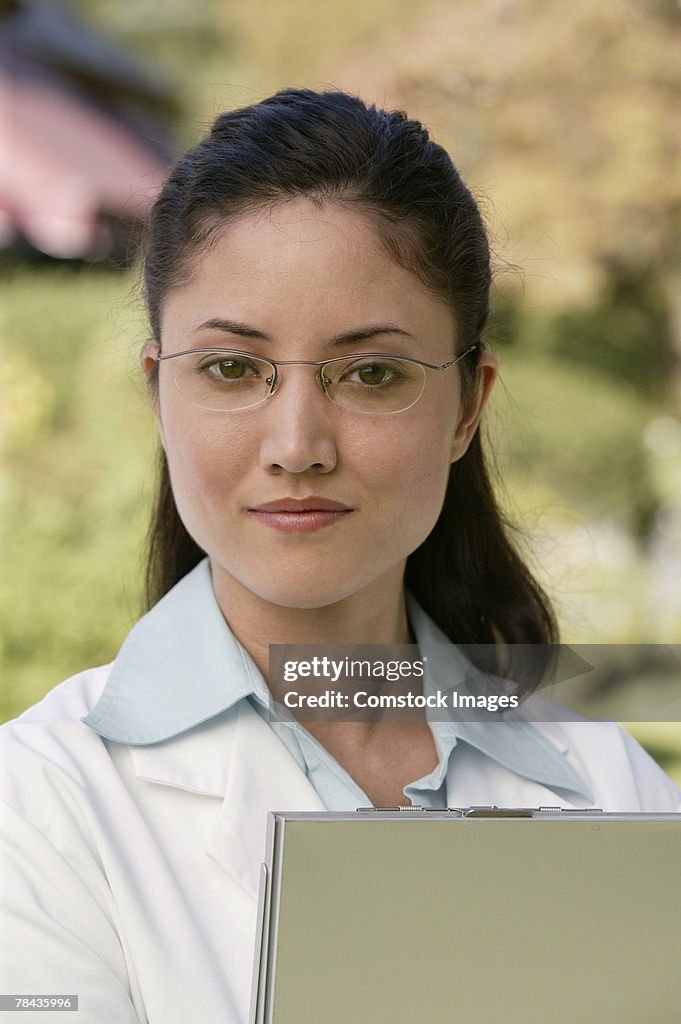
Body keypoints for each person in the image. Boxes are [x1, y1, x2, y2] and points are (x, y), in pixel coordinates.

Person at [1, 88, 679, 1023]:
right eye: (233, 369)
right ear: (159, 395)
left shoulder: (610, 782)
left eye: (371, 374)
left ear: (467, 407)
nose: (297, 444)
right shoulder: (38, 805)